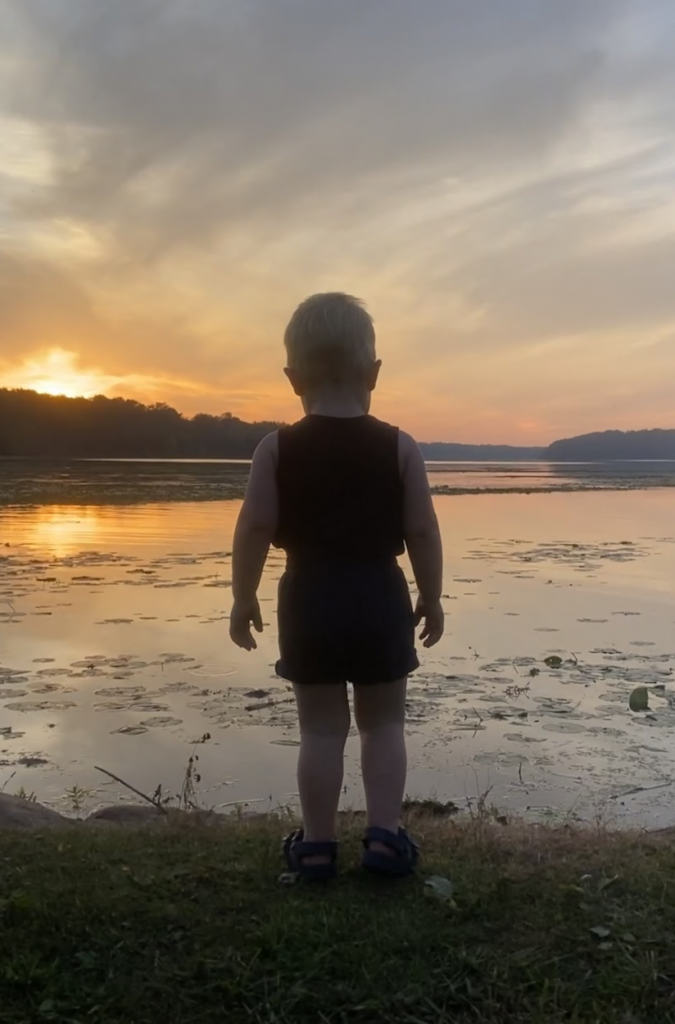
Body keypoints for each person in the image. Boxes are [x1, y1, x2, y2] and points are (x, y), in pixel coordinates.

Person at [229, 292, 444, 879]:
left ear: (292, 378)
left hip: (308, 597)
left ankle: (317, 847)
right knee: (383, 724)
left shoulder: (274, 449)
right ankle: (383, 839)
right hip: (379, 593)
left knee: (321, 730)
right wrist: (432, 595)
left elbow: (254, 526)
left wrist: (242, 595)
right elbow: (422, 529)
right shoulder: (400, 446)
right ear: (373, 372)